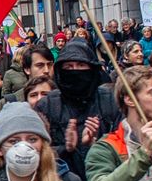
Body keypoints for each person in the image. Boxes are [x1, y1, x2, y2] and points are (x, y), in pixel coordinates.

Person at [33, 37, 121, 169]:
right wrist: (65, 148)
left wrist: (99, 145)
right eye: (69, 67)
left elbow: (125, 146)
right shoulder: (48, 105)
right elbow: (36, 152)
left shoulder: (110, 101)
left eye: (81, 66)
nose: (75, 71)